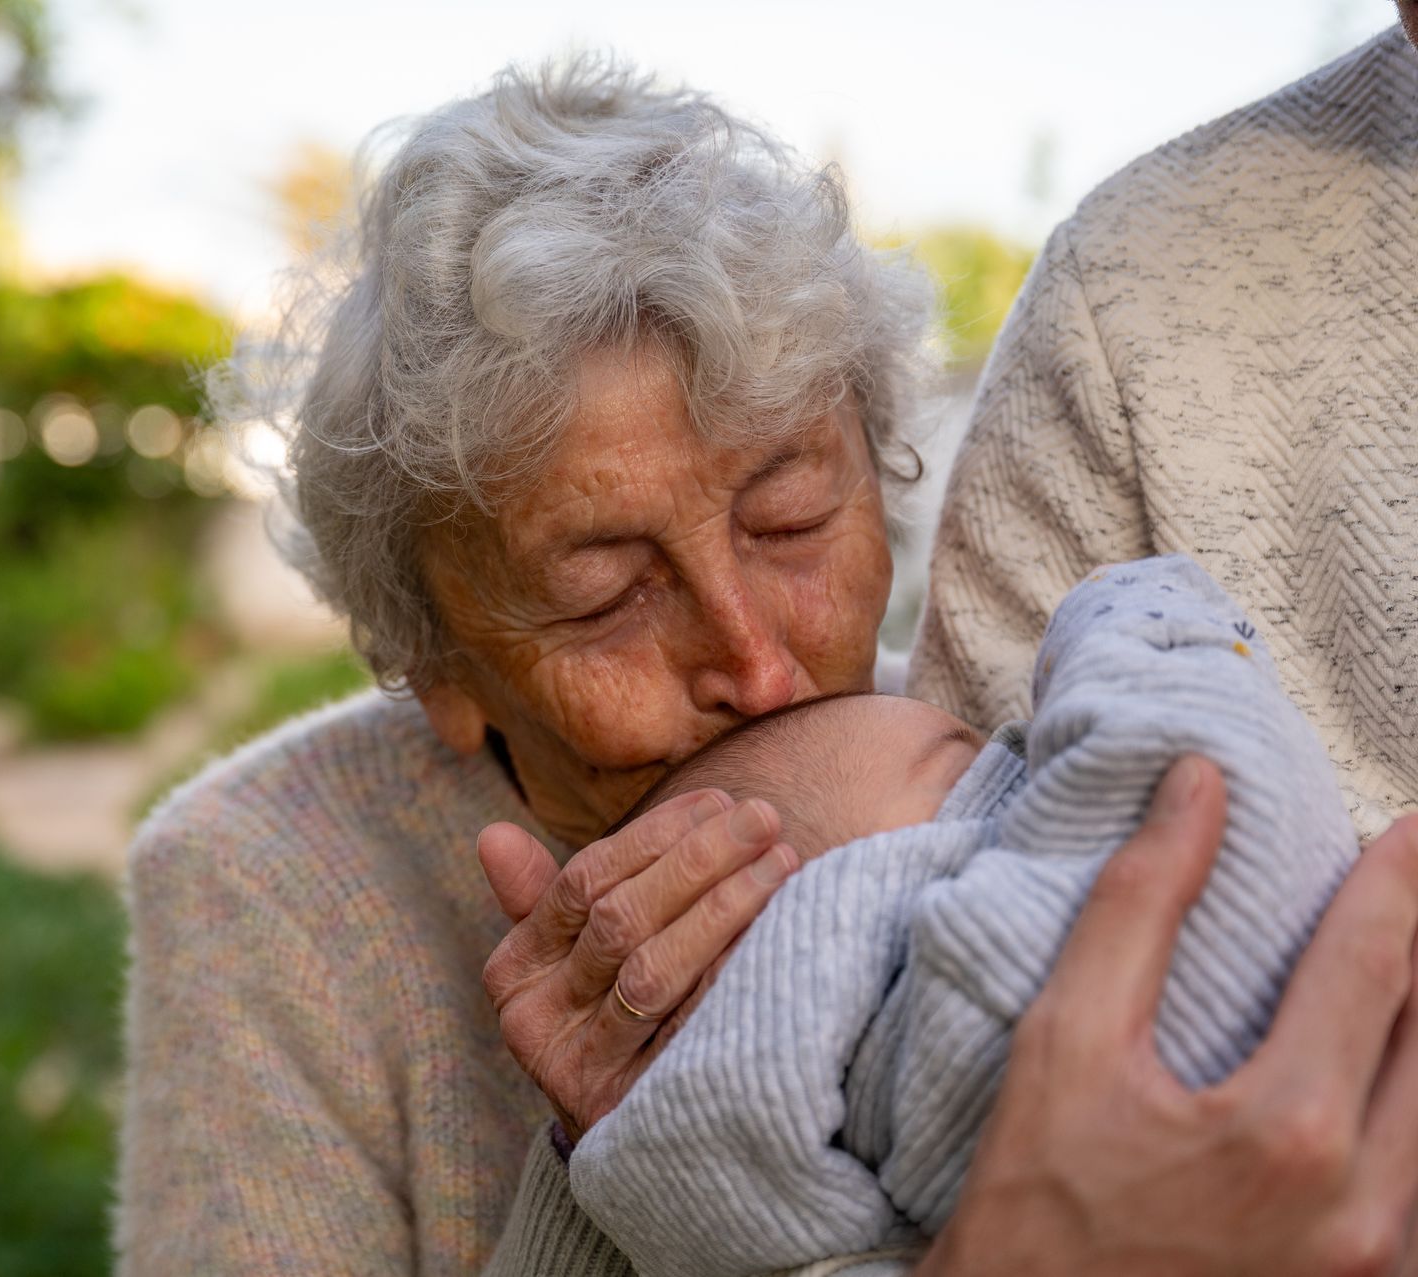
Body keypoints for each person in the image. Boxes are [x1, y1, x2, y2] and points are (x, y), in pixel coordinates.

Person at [118, 43, 1418, 1277]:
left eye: (792, 519)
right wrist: (608, 1183)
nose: (760, 661)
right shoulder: (265, 881)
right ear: (434, 660)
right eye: (606, 595)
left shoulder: (987, 765)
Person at [568, 555, 1358, 1276]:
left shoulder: (809, 1197)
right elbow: (1218, 788)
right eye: (962, 767)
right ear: (832, 910)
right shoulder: (984, 976)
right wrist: (1131, 619)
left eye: (791, 522)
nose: (1026, 758)